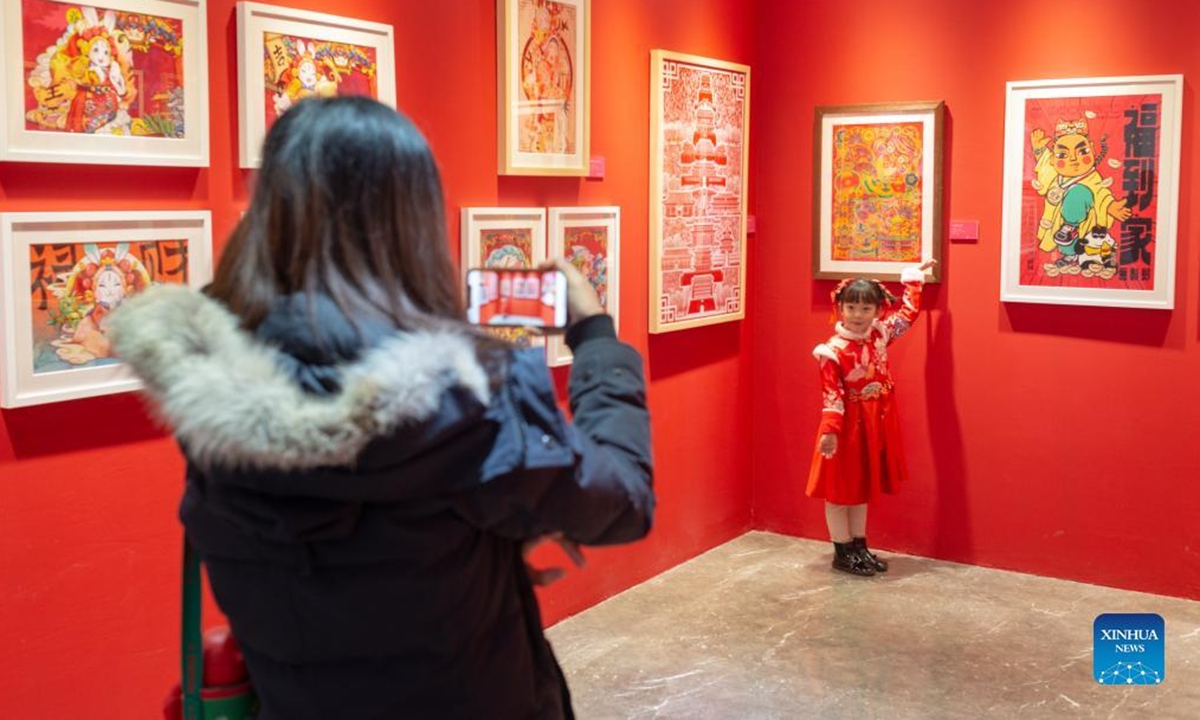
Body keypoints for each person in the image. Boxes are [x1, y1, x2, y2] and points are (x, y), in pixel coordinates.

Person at [109, 96, 654, 719]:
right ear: (410, 225)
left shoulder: (210, 398)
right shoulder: (471, 405)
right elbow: (625, 501)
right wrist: (597, 338)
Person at [806, 259, 935, 576]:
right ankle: (842, 549)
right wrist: (830, 431)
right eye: (851, 307)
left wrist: (914, 280)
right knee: (840, 489)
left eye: (866, 309)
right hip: (847, 426)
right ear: (840, 308)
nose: (858, 315)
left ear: (878, 310)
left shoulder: (879, 335)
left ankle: (859, 546)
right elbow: (832, 395)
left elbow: (907, 315)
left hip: (876, 420)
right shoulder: (832, 351)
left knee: (861, 485)